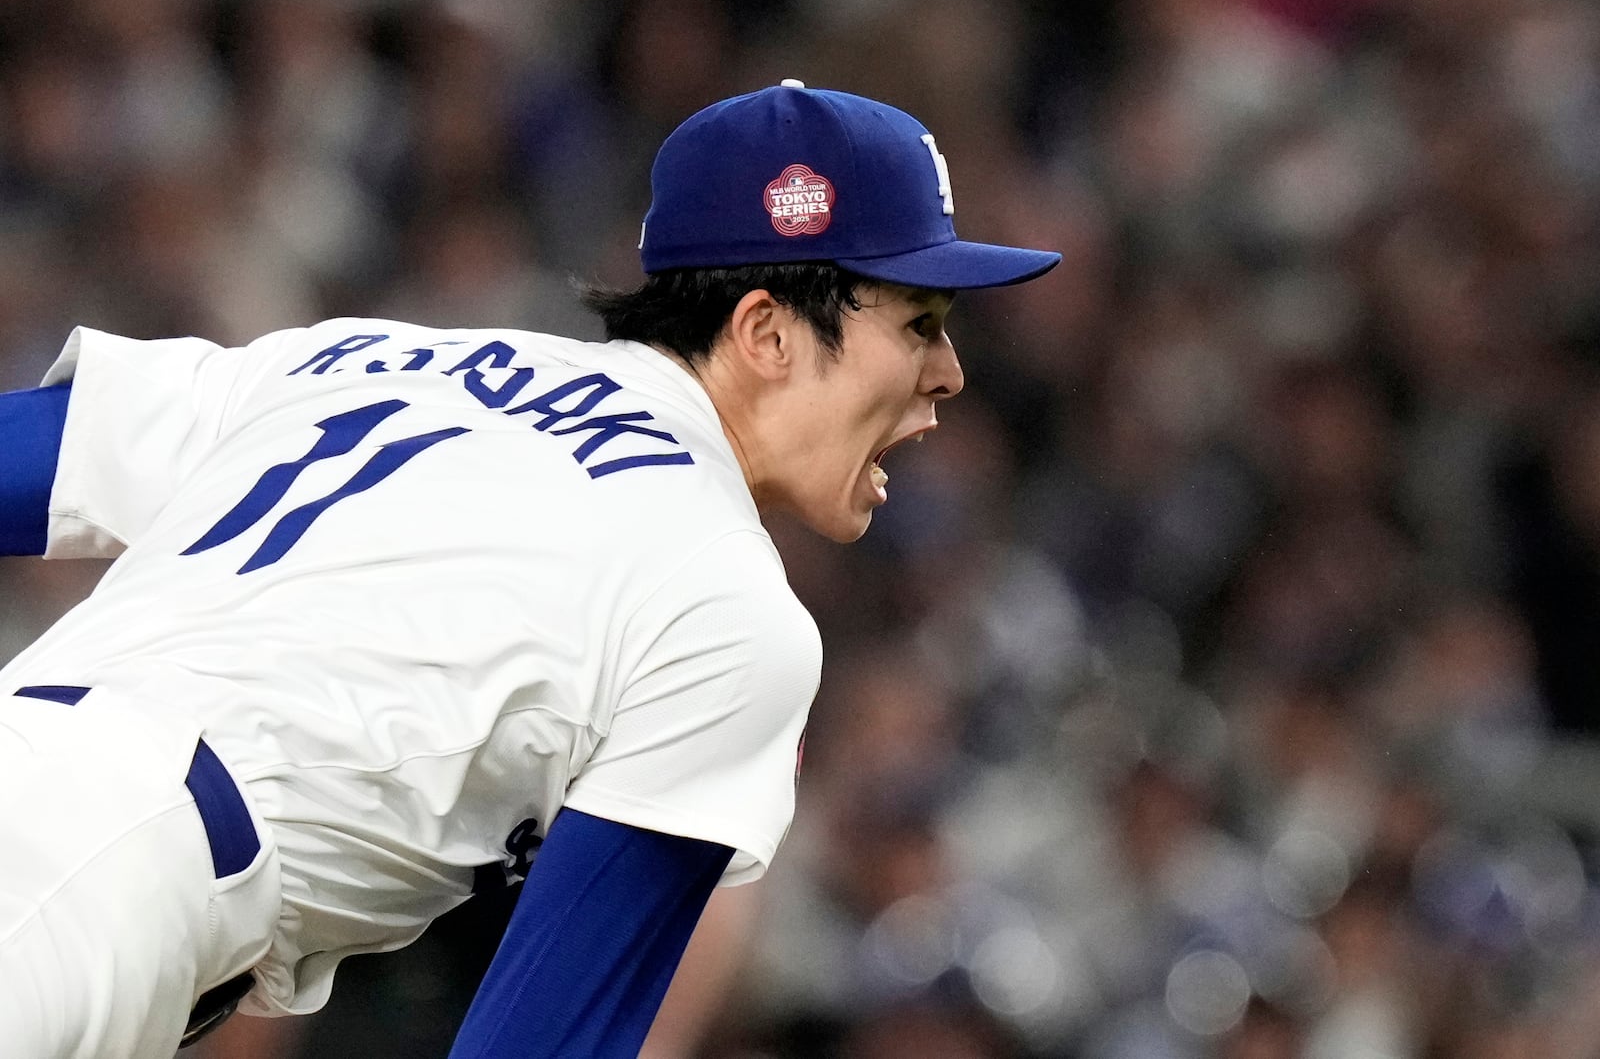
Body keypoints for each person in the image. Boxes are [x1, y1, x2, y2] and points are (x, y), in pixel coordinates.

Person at [0, 79, 1059, 1059]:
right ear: (766, 333)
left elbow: (23, 459)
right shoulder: (727, 601)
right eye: (916, 324)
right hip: (103, 880)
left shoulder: (373, 356)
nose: (948, 373)